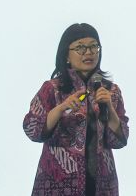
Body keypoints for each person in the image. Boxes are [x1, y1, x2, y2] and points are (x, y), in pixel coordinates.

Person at [23, 23, 129, 196]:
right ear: (66, 54)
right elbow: (32, 130)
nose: (89, 52)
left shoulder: (111, 91)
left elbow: (119, 141)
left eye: (94, 47)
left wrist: (109, 108)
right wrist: (61, 108)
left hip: (102, 184)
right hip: (57, 183)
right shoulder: (52, 89)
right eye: (80, 48)